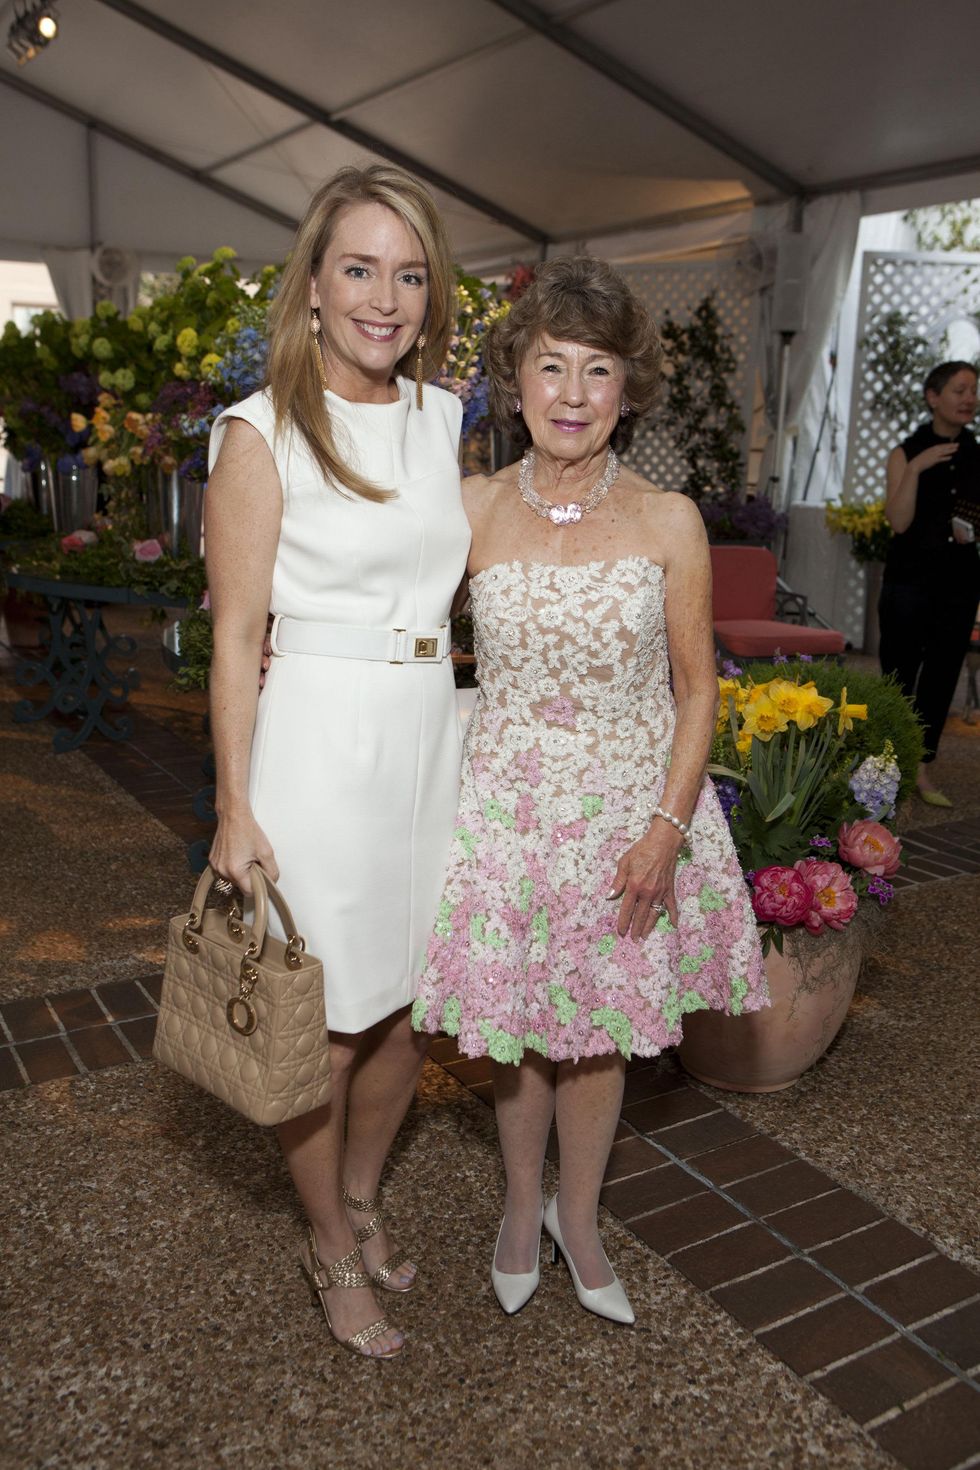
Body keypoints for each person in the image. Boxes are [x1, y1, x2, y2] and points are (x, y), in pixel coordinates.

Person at [411, 257, 767, 1323]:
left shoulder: (668, 521)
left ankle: (581, 1213)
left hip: (626, 814)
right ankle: (520, 1208)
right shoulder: (467, 507)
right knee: (518, 1025)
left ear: (627, 388)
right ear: (513, 383)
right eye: (548, 366)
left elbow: (698, 689)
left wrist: (664, 829)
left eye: (596, 369)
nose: (570, 394)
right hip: (506, 810)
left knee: (600, 1027)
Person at [204, 164, 470, 1358]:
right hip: (319, 738)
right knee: (322, 1024)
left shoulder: (444, 416)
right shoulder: (259, 432)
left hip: (432, 734)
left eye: (407, 274)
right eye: (358, 268)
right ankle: (322, 1242)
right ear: (311, 285)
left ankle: (362, 1198)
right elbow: (232, 635)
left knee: (407, 1015)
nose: (384, 297)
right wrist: (231, 806)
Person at [880, 361, 980, 805]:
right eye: (959, 390)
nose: (969, 399)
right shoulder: (906, 451)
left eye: (974, 391)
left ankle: (921, 769)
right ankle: (885, 764)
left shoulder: (978, 455)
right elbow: (899, 522)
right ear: (933, 396)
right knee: (900, 673)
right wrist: (916, 469)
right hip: (909, 581)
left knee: (941, 676)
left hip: (959, 582)